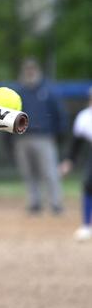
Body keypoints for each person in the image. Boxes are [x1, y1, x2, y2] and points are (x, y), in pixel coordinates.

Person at [13, 57, 68, 214]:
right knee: (29, 173)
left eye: (32, 69)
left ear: (37, 71)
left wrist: (58, 135)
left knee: (50, 172)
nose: (30, 72)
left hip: (44, 136)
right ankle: (34, 203)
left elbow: (59, 114)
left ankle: (56, 203)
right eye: (27, 70)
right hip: (22, 137)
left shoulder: (47, 90)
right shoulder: (18, 91)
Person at [60, 87, 92, 241]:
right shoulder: (85, 117)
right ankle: (86, 225)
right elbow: (76, 143)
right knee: (88, 184)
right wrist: (69, 161)